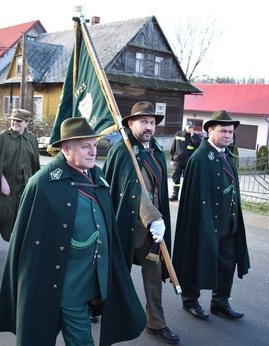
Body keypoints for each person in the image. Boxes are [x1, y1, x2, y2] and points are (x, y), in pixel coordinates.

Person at [0, 117, 146, 345]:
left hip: (94, 278)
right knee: (81, 339)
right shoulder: (44, 183)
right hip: (67, 283)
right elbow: (27, 245)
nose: (93, 152)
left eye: (95, 145)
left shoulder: (97, 176)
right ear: (66, 148)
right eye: (86, 146)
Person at [102, 101, 179, 344]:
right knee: (113, 274)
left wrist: (157, 219)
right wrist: (153, 217)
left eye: (152, 122)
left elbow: (156, 191)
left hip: (150, 231)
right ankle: (98, 308)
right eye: (143, 121)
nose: (149, 127)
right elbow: (132, 189)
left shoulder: (156, 151)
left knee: (154, 276)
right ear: (130, 123)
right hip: (125, 226)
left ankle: (156, 322)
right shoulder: (121, 151)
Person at [173, 110, 250, 320]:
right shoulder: (199, 158)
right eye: (223, 131)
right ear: (209, 131)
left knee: (227, 263)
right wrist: (202, 225)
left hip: (228, 224)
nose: (228, 135)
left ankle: (220, 302)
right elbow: (193, 199)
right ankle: (190, 301)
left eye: (230, 132)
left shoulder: (227, 156)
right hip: (205, 223)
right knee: (195, 258)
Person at [0, 108, 40, 250]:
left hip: (25, 183)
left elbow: (35, 162)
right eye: (13, 120)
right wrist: (2, 181)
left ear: (26, 123)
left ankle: (15, 241)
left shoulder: (31, 138)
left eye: (18, 121)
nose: (14, 123)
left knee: (19, 214)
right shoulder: (3, 137)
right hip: (6, 184)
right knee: (1, 212)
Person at [168, 119, 202, 201]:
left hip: (188, 162)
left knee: (187, 179)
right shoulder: (178, 134)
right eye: (189, 127)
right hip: (178, 161)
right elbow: (173, 147)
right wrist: (172, 158)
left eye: (192, 127)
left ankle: (186, 196)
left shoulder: (195, 137)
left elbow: (199, 145)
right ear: (185, 126)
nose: (190, 128)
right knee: (175, 178)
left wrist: (193, 136)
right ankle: (175, 194)